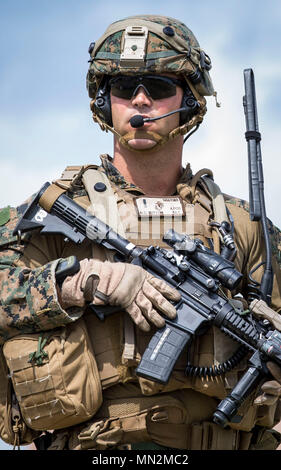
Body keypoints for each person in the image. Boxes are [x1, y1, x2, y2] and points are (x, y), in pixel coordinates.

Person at [0, 14, 281, 451]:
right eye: (124, 89)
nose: (142, 101)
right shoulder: (62, 212)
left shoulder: (241, 224)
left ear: (190, 100)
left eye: (160, 86)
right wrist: (86, 281)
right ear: (103, 101)